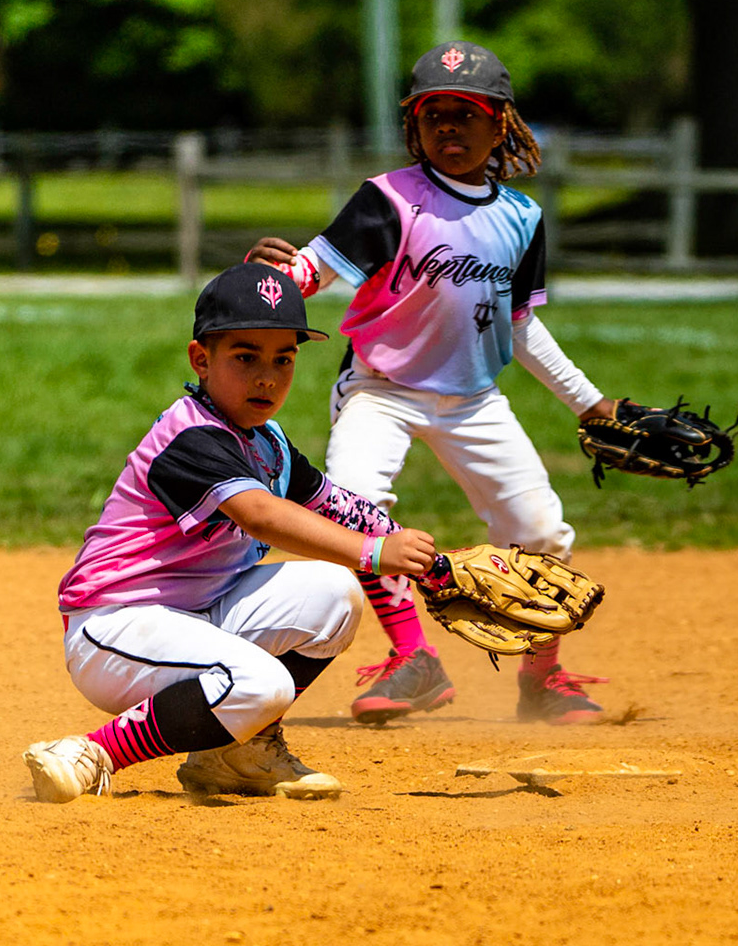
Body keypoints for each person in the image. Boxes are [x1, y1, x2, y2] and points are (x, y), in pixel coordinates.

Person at [247, 40, 619, 726]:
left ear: (501, 123)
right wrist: (273, 279)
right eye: (433, 114)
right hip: (380, 389)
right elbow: (316, 271)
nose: (449, 127)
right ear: (413, 126)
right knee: (354, 508)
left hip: (476, 399)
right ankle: (413, 657)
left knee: (542, 532)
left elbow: (521, 327)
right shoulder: (388, 200)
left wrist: (589, 402)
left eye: (467, 113)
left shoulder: (521, 218)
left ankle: (544, 679)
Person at [24, 263, 438, 802]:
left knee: (336, 596)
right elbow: (262, 515)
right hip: (116, 628)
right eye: (246, 357)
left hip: (198, 616)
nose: (267, 376)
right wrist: (374, 552)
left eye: (283, 359)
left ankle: (234, 756)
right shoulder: (190, 436)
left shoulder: (269, 443)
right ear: (201, 359)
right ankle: (93, 752)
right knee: (264, 684)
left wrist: (435, 567)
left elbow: (336, 506)